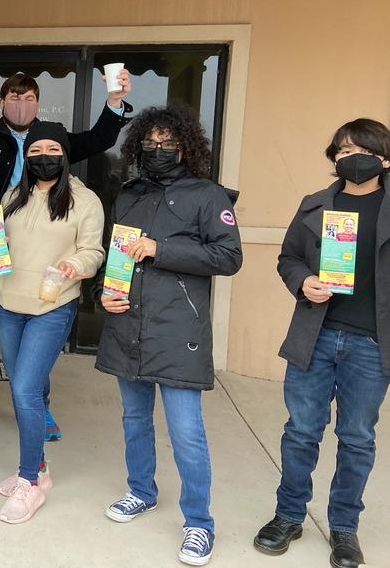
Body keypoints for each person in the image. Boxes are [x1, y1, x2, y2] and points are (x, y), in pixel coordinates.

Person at [0, 44, 132, 444]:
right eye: (15, 97)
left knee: (38, 337)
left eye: (29, 98)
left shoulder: (53, 139)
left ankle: (38, 404)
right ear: (3, 102)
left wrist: (114, 101)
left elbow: (99, 138)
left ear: (38, 103)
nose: (22, 104)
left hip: (44, 251)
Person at [93, 105, 242, 566]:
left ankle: (199, 523)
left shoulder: (208, 194)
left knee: (186, 433)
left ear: (186, 146)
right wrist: (105, 292)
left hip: (179, 329)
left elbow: (228, 256)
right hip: (127, 322)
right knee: (134, 420)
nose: (157, 150)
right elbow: (117, 253)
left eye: (167, 142)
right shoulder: (129, 194)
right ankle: (142, 491)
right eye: (149, 143)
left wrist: (162, 249)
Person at [253, 118, 390, 568]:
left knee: (356, 438)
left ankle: (344, 527)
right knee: (301, 432)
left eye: (362, 150)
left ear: (383, 157)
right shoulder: (316, 205)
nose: (352, 158)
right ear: (334, 158)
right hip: (317, 335)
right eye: (343, 151)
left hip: (372, 344)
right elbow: (287, 257)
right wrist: (304, 280)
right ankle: (289, 515)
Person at [0, 121, 105, 524]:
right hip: (7, 301)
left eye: (51, 149)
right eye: (35, 150)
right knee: (28, 391)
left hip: (51, 306)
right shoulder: (11, 196)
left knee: (24, 390)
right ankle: (38, 468)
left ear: (64, 154)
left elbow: (94, 251)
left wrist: (73, 264)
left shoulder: (84, 200)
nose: (43, 156)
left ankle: (29, 483)